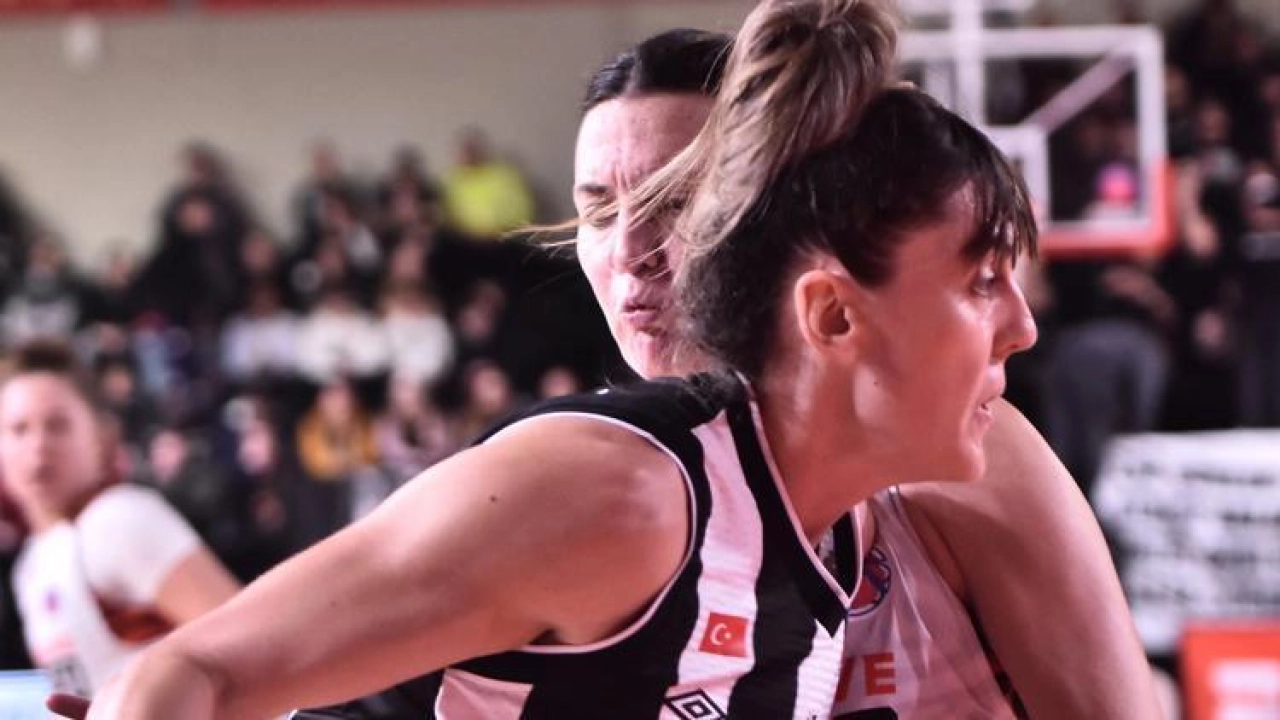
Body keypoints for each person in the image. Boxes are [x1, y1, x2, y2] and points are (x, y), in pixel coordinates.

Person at [50, 1, 1150, 717]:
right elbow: (197, 672)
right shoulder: (621, 484)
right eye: (595, 210)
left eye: (676, 199)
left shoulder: (881, 478)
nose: (631, 250)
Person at [0, 340, 240, 698]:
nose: (38, 446)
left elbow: (248, 646)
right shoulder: (31, 564)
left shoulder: (118, 518)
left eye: (58, 425)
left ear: (101, 437)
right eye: (19, 429)